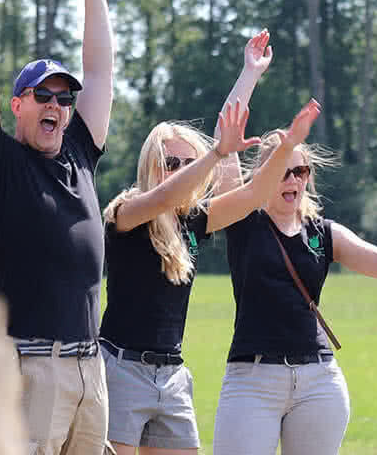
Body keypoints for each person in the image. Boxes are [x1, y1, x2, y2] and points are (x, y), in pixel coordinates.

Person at [0, 0, 117, 451]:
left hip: (91, 367)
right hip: (31, 365)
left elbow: (101, 72)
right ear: (17, 104)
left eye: (64, 98)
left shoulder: (81, 151)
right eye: (43, 96)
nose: (57, 106)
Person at [96, 31, 276, 455]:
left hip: (173, 376)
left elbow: (250, 196)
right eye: (170, 162)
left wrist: (250, 75)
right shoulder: (127, 211)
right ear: (151, 164)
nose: (178, 170)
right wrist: (214, 156)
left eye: (186, 163)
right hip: (121, 369)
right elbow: (164, 195)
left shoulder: (194, 221)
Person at [211, 100, 377, 454]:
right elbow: (223, 146)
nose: (293, 180)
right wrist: (248, 75)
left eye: (301, 172)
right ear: (264, 176)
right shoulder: (242, 220)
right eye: (284, 172)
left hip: (318, 380)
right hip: (253, 377)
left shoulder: (323, 232)